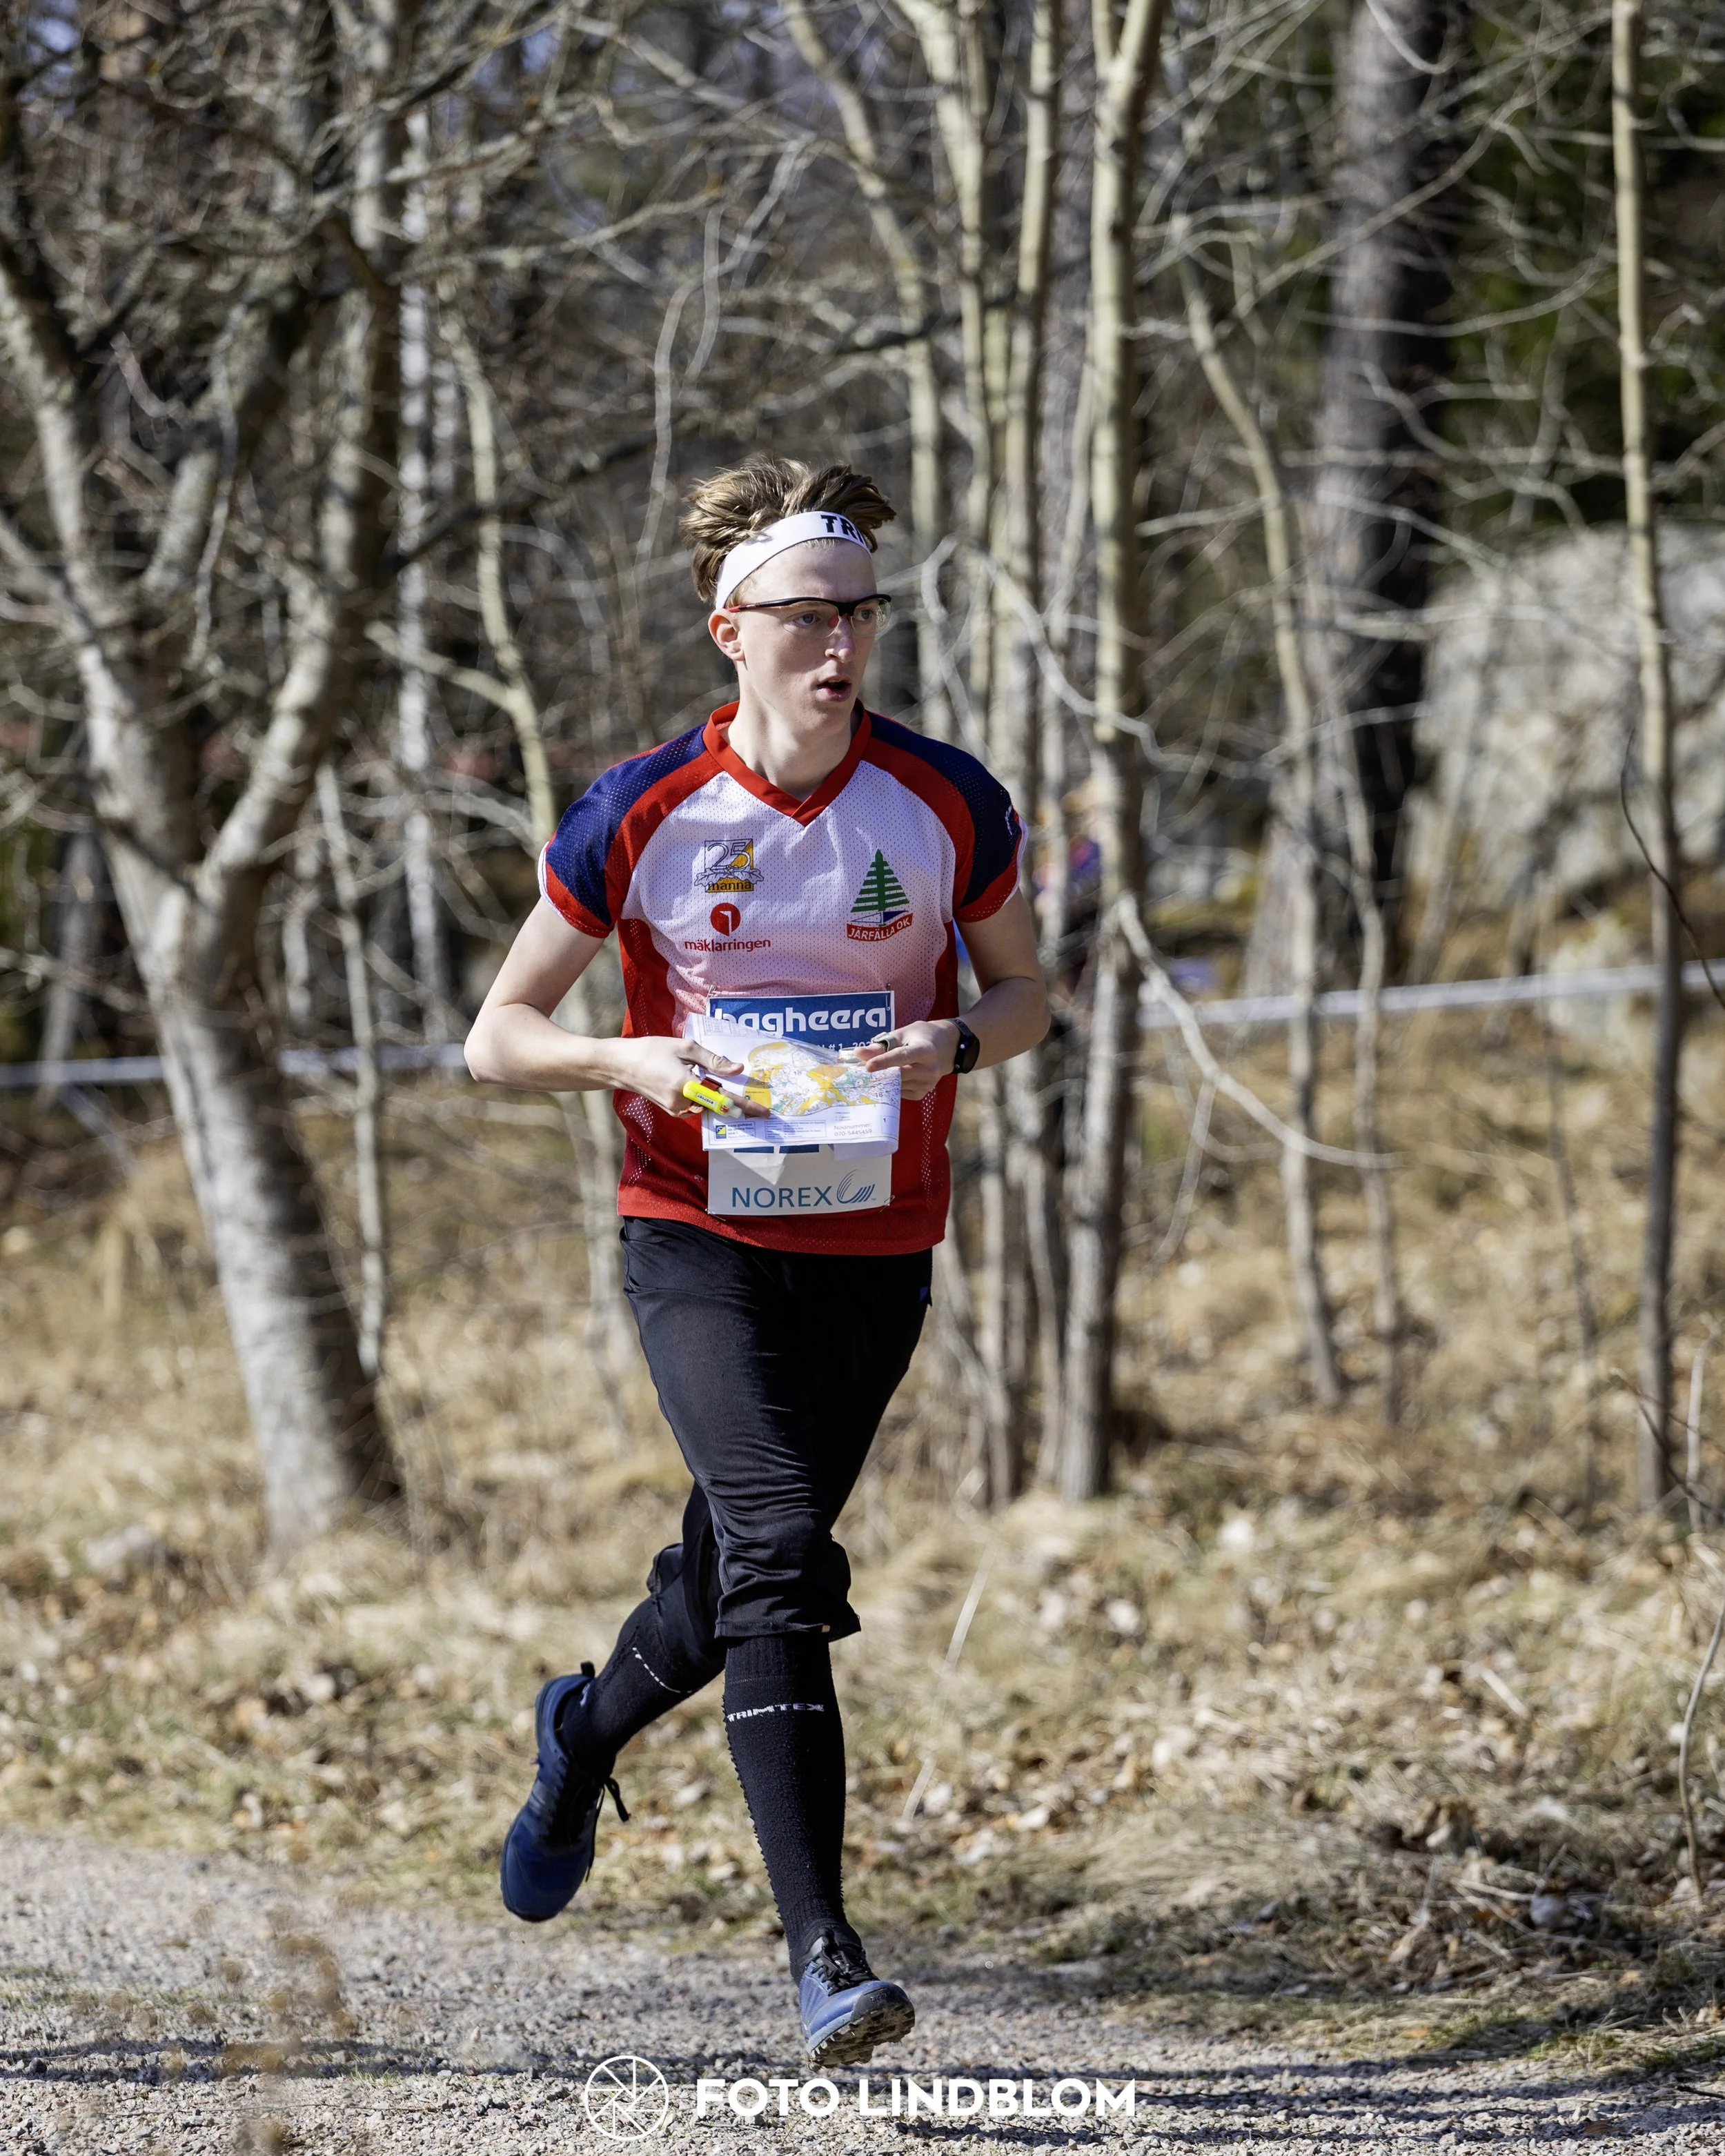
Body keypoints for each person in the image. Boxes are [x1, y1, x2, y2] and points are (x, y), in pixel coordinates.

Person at [464, 457, 1049, 2067]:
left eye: (857, 613)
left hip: (876, 1244)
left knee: (730, 1573)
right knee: (782, 1547)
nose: (838, 643)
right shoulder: (644, 808)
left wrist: (955, 1041)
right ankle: (824, 1957)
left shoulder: (944, 799)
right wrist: (630, 1065)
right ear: (732, 629)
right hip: (696, 1235)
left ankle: (580, 1734)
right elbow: (495, 1036)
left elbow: (1027, 995)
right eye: (805, 615)